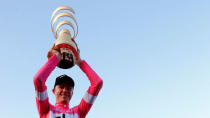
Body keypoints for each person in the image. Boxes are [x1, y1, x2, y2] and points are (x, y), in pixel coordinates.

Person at [33, 45, 103, 118]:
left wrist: (79, 62)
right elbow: (38, 79)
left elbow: (97, 83)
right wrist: (55, 58)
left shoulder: (79, 111)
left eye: (68, 88)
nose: (65, 90)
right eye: (61, 87)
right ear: (54, 91)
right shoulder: (45, 108)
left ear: (72, 93)